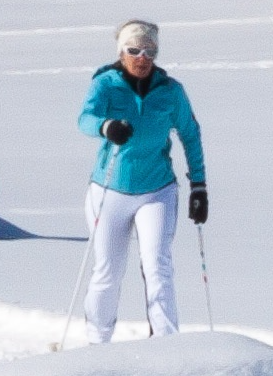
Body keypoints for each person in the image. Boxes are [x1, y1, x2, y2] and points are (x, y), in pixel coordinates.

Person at [80, 19, 209, 342]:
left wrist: (199, 187)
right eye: (134, 50)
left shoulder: (170, 90)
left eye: (149, 51)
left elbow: (190, 135)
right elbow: (85, 118)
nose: (142, 57)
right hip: (109, 190)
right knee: (107, 271)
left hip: (157, 191)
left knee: (158, 268)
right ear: (121, 52)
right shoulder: (106, 84)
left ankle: (166, 343)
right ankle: (97, 342)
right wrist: (106, 126)